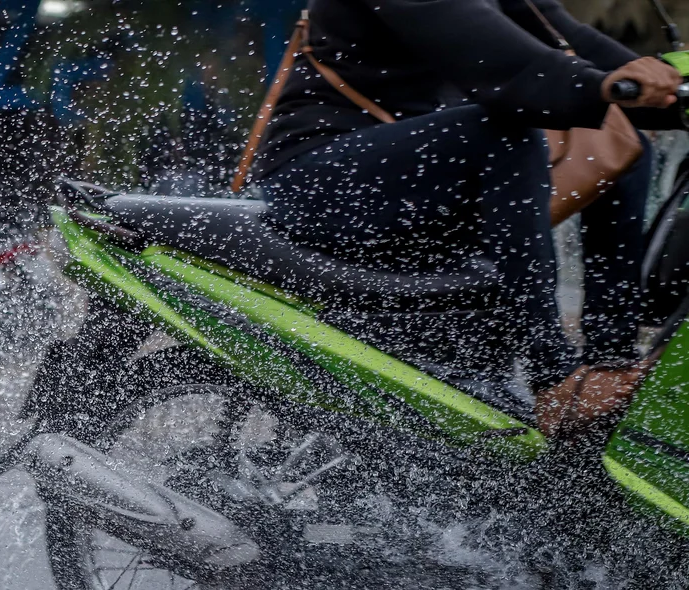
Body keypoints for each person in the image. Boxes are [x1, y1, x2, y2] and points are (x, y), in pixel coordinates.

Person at [252, 0, 684, 438]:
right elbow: (502, 63)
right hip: (320, 181)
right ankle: (555, 378)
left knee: (621, 142)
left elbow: (576, 41)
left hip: (413, 184)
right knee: (502, 133)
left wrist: (663, 87)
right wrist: (605, 85)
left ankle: (609, 361)